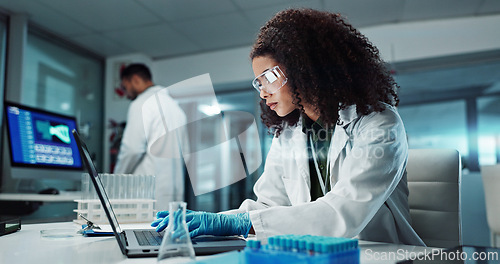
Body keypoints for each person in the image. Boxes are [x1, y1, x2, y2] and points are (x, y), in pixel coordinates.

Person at [152, 8, 425, 246]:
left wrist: (241, 224)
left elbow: (342, 214)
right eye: (258, 82)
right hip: (312, 252)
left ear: (306, 68)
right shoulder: (290, 133)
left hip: (378, 252)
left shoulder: (378, 124)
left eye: (269, 77)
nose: (263, 92)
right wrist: (216, 220)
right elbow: (268, 206)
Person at [114, 63, 187, 211]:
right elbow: (187, 154)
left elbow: (132, 149)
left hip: (146, 192)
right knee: (168, 231)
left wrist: (115, 181)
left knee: (142, 233)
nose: (127, 93)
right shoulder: (175, 107)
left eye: (125, 87)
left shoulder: (141, 103)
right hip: (174, 192)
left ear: (135, 80)